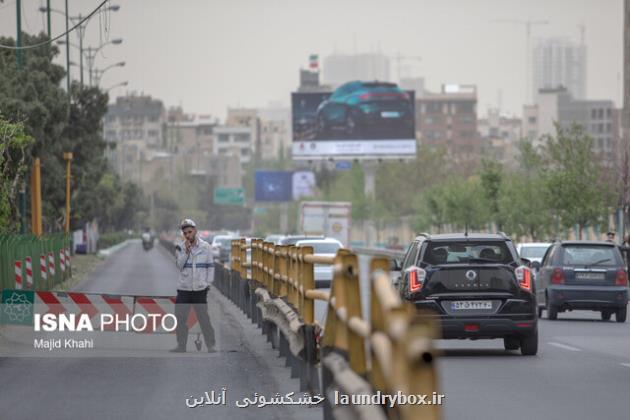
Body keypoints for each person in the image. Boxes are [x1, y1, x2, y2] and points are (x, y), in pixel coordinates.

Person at [171, 218, 216, 353]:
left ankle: (211, 345)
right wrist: (186, 251)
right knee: (180, 318)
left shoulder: (206, 247)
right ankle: (181, 345)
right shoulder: (180, 246)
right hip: (184, 289)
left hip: (199, 290)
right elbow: (179, 265)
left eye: (190, 232)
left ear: (195, 231)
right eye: (185, 233)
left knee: (203, 318)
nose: (188, 235)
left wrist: (208, 283)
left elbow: (210, 267)